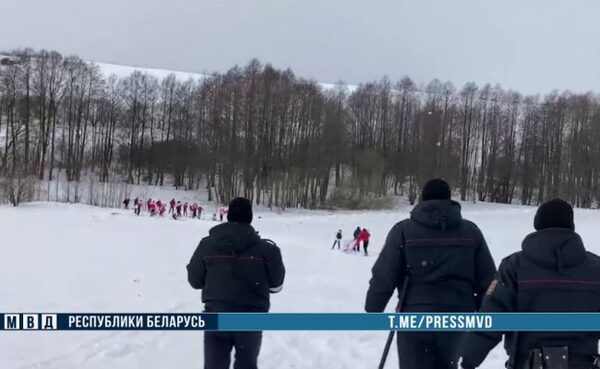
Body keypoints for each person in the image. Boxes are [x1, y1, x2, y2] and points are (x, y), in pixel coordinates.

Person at [365, 178, 496, 369]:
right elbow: (488, 279)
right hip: (456, 316)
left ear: (422, 200)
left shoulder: (403, 231)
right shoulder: (471, 232)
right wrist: (479, 309)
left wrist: (373, 306)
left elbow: (384, 274)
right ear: (450, 200)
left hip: (415, 317)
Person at [459, 199, 600, 369]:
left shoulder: (514, 266)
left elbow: (492, 317)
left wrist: (467, 358)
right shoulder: (595, 268)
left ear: (537, 224)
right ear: (571, 226)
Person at [187, 197, 285, 369]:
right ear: (250, 218)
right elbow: (276, 285)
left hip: (217, 316)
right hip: (251, 319)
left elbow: (195, 281)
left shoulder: (207, 245)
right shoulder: (268, 250)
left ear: (228, 216)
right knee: (246, 365)